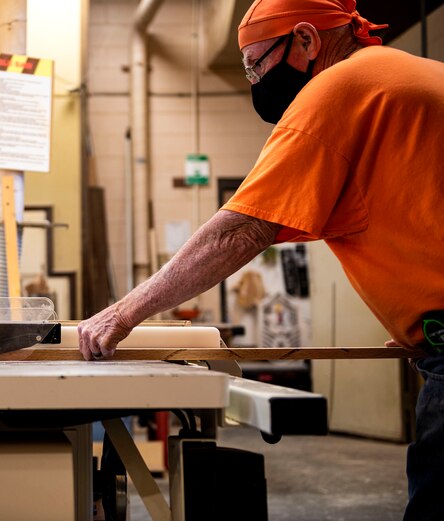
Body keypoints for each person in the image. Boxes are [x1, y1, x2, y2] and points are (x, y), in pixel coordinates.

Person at [77, 0, 444, 519]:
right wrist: (421, 319)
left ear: (307, 40)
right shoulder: (412, 76)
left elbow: (242, 227)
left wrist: (121, 315)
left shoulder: (339, 88)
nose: (254, 81)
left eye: (256, 64)